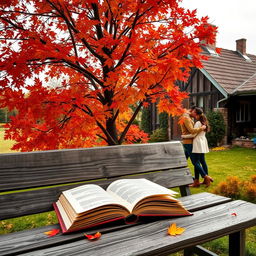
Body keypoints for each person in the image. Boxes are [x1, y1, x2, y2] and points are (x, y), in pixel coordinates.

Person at [182, 107, 213, 187]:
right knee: (201, 161)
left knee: (195, 162)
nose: (193, 114)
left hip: (196, 142)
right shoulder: (204, 122)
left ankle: (205, 177)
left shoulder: (198, 123)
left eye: (194, 113)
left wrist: (183, 136)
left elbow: (193, 133)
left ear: (196, 114)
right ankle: (198, 180)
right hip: (202, 142)